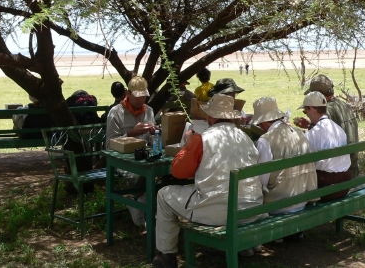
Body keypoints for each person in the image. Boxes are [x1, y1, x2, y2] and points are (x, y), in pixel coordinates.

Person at [152, 94, 264, 268]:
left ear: (210, 116)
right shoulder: (245, 138)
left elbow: (179, 172)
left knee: (163, 195)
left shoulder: (202, 138)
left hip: (220, 212)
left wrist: (187, 145)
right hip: (250, 208)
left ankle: (167, 255)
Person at [252, 96, 317, 243]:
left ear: (263, 122)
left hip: (279, 204)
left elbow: (262, 180)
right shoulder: (300, 133)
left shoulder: (265, 140)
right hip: (302, 198)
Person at [105, 76, 157, 226]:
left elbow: (152, 141)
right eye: (137, 96)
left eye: (144, 96)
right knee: (144, 175)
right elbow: (109, 145)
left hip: (144, 157)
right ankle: (139, 204)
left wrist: (155, 134)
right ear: (128, 94)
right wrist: (130, 134)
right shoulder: (116, 113)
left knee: (164, 173)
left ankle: (138, 203)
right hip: (122, 161)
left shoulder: (149, 111)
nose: (141, 100)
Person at [294, 75, 359, 178]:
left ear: (318, 93)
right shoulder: (345, 106)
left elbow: (319, 138)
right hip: (352, 168)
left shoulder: (327, 110)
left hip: (338, 172)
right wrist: (309, 125)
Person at [300, 92, 351, 201]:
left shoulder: (312, 134)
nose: (306, 115)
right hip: (345, 184)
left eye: (305, 111)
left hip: (327, 186)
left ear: (312, 109)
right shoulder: (338, 129)